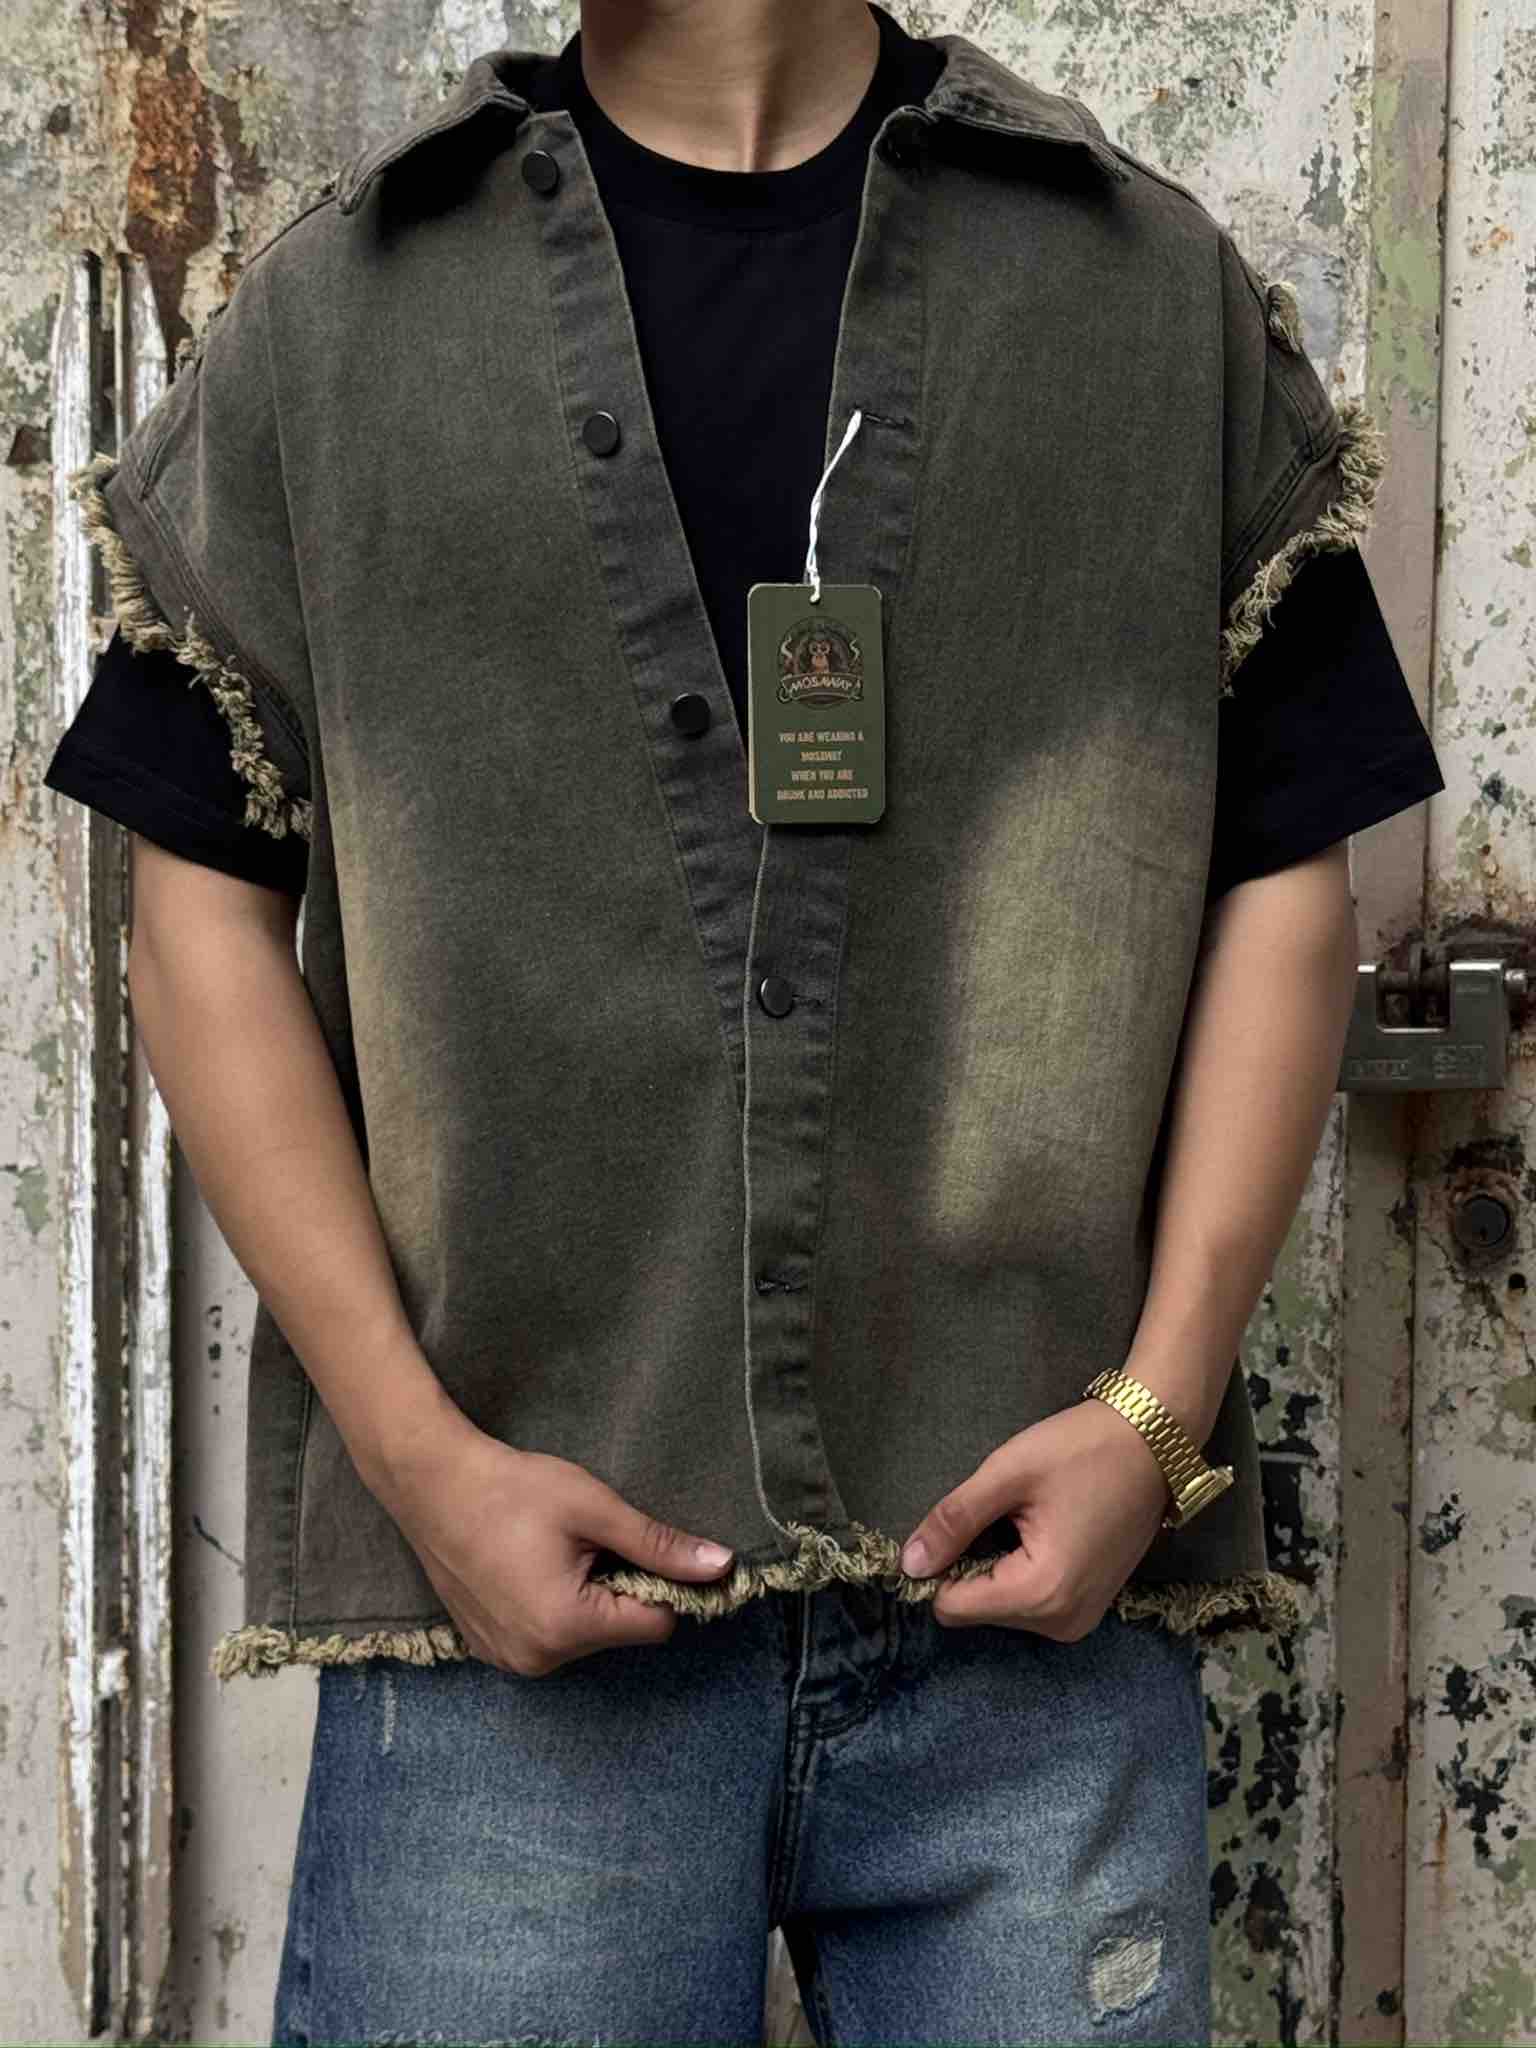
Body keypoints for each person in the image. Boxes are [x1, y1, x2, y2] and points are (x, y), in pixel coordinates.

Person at [45, 2, 1444, 2041]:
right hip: (516, 1647)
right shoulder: (345, 315)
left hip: (1033, 1646)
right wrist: (421, 1464)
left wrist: (1158, 1420)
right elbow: (195, 921)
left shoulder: (1143, 294)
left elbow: (1282, 871)